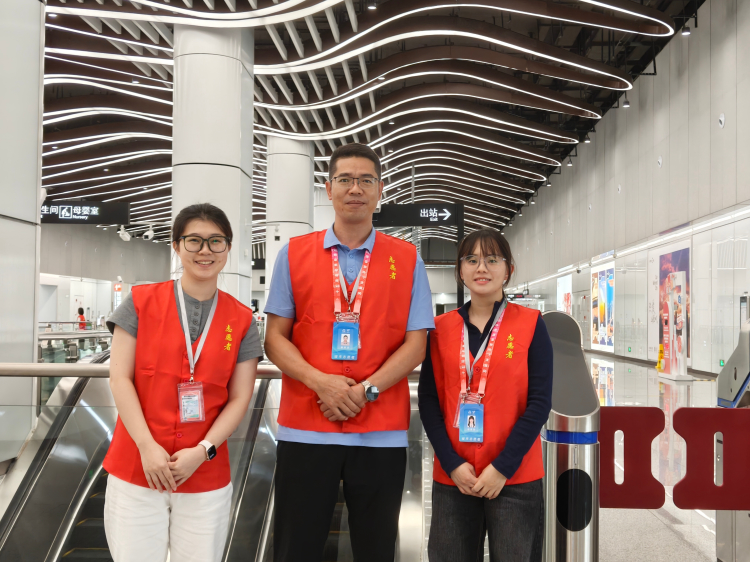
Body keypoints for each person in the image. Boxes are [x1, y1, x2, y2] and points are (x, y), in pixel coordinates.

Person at [263, 143, 435, 562]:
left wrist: (366, 390)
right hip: (305, 427)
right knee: (295, 548)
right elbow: (274, 338)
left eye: (365, 180)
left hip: (381, 431)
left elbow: (417, 344)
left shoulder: (406, 258)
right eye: (345, 179)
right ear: (329, 189)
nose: (355, 188)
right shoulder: (294, 254)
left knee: (376, 548)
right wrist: (321, 383)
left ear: (380, 190)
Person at [103, 203, 263, 562]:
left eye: (216, 241)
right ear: (176, 245)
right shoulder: (140, 302)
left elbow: (240, 398)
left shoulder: (241, 320)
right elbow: (119, 378)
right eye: (194, 241)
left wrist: (203, 450)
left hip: (204, 473)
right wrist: (146, 446)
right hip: (137, 467)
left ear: (228, 247)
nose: (205, 251)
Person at [418, 228, 553, 562]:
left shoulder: (531, 324)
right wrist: (451, 464)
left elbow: (539, 403)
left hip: (514, 476)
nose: (482, 268)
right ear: (460, 271)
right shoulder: (439, 329)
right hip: (455, 476)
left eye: (492, 259)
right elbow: (429, 401)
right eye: (472, 260)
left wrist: (502, 467)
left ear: (508, 270)